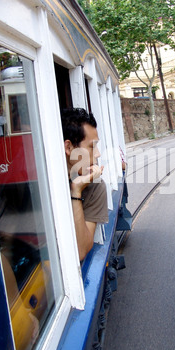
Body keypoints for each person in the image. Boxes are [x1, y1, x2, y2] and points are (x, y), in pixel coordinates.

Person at [61, 107, 108, 261]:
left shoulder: (95, 186)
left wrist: (76, 192)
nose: (98, 154)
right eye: (92, 146)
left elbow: (81, 251)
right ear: (68, 147)